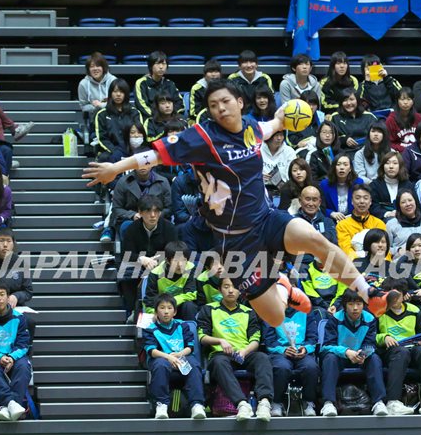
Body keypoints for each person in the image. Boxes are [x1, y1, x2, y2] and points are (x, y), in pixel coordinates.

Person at [84, 79, 391, 329]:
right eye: (213, 105)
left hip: (266, 218)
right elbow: (153, 156)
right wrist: (115, 168)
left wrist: (282, 118)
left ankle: (369, 293)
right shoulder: (201, 137)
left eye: (225, 101)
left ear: (240, 103)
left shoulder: (251, 128)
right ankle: (283, 286)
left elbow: (271, 126)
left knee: (315, 239)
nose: (220, 108)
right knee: (275, 318)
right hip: (235, 241)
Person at [197, 278, 274, 422]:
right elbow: (202, 336)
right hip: (221, 354)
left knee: (263, 358)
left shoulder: (249, 312)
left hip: (244, 353)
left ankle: (264, 403)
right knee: (219, 363)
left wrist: (244, 351)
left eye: (234, 287)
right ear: (220, 290)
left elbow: (255, 340)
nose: (231, 290)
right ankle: (242, 404)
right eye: (226, 287)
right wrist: (220, 341)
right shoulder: (208, 309)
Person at [319, 289, 388, 417]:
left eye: (359, 304)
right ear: (344, 305)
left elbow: (371, 344)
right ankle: (328, 403)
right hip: (340, 356)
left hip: (360, 357)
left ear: (364, 304)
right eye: (351, 304)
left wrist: (364, 354)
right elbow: (327, 345)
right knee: (329, 358)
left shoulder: (370, 319)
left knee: (375, 359)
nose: (355, 308)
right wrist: (346, 352)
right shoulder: (335, 319)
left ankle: (378, 402)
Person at [376, 277, 421, 416]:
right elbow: (372, 336)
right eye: (390, 295)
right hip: (390, 352)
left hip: (413, 348)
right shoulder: (378, 311)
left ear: (404, 295)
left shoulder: (415, 310)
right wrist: (384, 337)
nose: (394, 298)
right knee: (401, 352)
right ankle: (393, 402)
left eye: (397, 295)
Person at [142, 294, 206, 420]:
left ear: (175, 312)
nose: (166, 311)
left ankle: (197, 405)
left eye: (169, 308)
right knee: (160, 365)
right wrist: (169, 357)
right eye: (162, 308)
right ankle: (161, 405)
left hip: (181, 356)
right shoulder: (150, 328)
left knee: (194, 364)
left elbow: (190, 347)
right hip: (161, 358)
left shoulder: (183, 325)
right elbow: (151, 351)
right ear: (156, 311)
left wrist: (178, 355)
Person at [118, 195, 178, 320]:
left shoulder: (169, 228)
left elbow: (174, 251)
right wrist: (142, 259)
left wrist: (160, 260)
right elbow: (126, 254)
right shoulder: (132, 229)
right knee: (125, 273)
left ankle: (164, 311)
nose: (153, 215)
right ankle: (132, 310)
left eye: (156, 211)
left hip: (162, 264)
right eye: (148, 211)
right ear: (140, 212)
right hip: (140, 264)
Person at [0, 281, 31, 422]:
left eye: (2, 294)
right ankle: (10, 403)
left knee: (24, 366)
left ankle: (7, 408)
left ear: (8, 297)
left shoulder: (19, 317)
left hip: (14, 356)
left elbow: (24, 345)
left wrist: (12, 357)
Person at [263, 306, 319, 417]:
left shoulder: (306, 312)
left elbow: (313, 337)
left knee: (311, 367)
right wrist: (283, 350)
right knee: (281, 367)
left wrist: (305, 348)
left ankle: (308, 402)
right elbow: (269, 341)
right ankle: (277, 402)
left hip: (302, 351)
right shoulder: (270, 312)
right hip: (280, 352)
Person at [111, 153, 172, 239]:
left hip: (156, 218)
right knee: (127, 226)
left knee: (169, 227)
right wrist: (132, 215)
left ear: (153, 164)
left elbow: (169, 208)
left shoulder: (163, 182)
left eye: (146, 163)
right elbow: (116, 208)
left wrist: (155, 215)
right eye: (139, 163)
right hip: (131, 220)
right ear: (133, 164)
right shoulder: (123, 182)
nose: (143, 166)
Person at [142, 241, 197, 321]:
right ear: (167, 261)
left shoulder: (190, 268)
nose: (180, 264)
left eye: (183, 260)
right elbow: (150, 299)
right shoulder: (155, 273)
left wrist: (171, 302)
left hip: (181, 307)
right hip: (162, 309)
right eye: (175, 261)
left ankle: (190, 328)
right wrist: (154, 313)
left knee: (189, 305)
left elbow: (191, 293)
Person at [94, 79, 143, 163]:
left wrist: (130, 150)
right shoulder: (102, 114)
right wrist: (115, 151)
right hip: (112, 150)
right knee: (104, 157)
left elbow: (139, 134)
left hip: (131, 149)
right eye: (115, 91)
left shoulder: (134, 112)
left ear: (126, 94)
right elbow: (102, 138)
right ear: (110, 93)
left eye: (121, 92)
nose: (118, 94)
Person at [336, 183, 387, 260]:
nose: (362, 201)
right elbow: (346, 250)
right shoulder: (342, 225)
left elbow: (385, 250)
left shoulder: (379, 224)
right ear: (352, 201)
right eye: (358, 198)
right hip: (353, 264)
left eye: (365, 198)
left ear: (370, 201)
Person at [77, 52, 116, 150]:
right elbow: (83, 106)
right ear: (88, 69)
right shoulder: (83, 84)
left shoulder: (113, 81)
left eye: (98, 66)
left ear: (103, 67)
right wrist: (95, 106)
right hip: (94, 120)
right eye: (92, 66)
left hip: (113, 118)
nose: (95, 69)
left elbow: (118, 103)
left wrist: (101, 105)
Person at [386, 189, 421, 255]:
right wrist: (398, 250)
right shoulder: (391, 224)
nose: (408, 204)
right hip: (401, 259)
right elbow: (386, 248)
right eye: (403, 202)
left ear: (415, 202)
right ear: (399, 206)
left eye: (410, 200)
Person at [134, 50, 184, 119]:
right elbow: (141, 106)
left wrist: (170, 116)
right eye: (157, 63)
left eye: (163, 64)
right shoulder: (141, 83)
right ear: (151, 66)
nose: (161, 67)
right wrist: (158, 117)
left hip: (170, 119)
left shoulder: (170, 84)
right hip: (150, 119)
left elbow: (180, 104)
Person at [331, 89, 377, 155]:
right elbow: (330, 138)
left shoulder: (369, 116)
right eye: (345, 100)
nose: (348, 103)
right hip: (345, 154)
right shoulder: (335, 117)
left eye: (351, 99)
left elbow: (379, 134)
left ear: (357, 100)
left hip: (368, 151)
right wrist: (344, 140)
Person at [319, 154, 363, 223]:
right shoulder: (324, 184)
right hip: (332, 221)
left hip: (353, 219)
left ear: (350, 169)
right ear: (334, 168)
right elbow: (321, 206)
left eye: (345, 165)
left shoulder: (358, 182)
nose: (342, 167)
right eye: (338, 164)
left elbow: (362, 204)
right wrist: (331, 213)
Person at [370, 151, 413, 221]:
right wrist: (387, 213)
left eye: (395, 163)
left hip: (406, 217)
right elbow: (373, 206)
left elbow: (414, 205)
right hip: (383, 219)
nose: (391, 166)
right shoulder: (374, 185)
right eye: (387, 163)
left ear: (400, 166)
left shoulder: (408, 185)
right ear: (383, 166)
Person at [385, 86, 421, 153]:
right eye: (402, 99)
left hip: (417, 151)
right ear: (397, 101)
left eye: (408, 99)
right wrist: (406, 150)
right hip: (399, 152)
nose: (405, 102)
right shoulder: (390, 120)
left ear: (413, 101)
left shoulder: (418, 117)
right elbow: (389, 142)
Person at [261, 130, 296, 197]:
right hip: (261, 187)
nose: (279, 138)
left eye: (281, 135)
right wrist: (258, 176)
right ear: (268, 136)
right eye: (276, 135)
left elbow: (291, 175)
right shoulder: (257, 150)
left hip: (283, 189)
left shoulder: (289, 151)